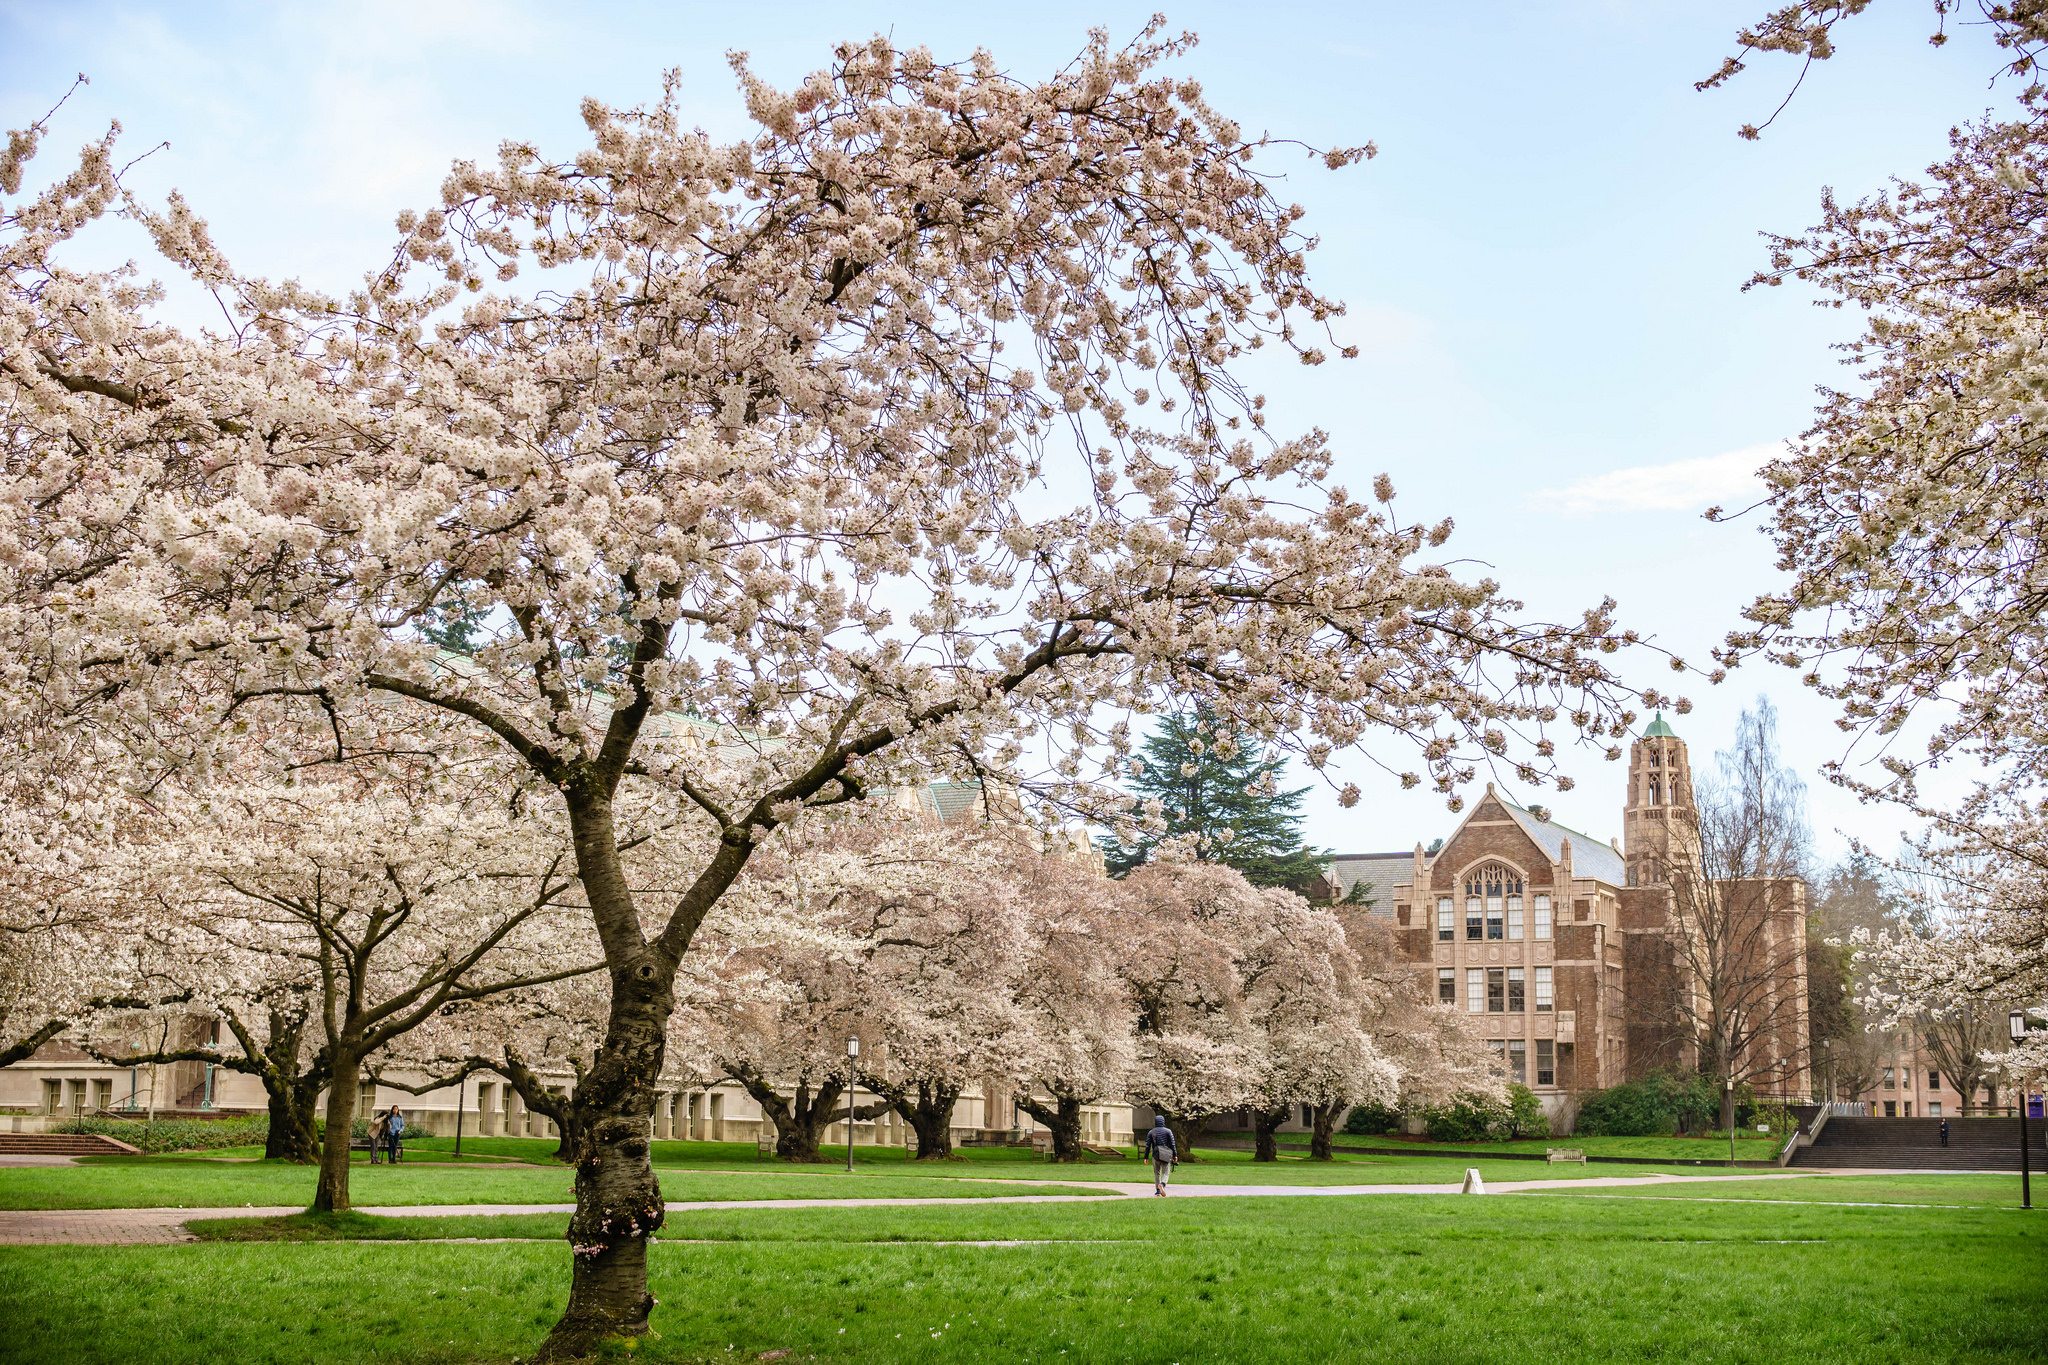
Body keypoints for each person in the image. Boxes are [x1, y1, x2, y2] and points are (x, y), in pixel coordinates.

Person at [1142, 1116, 1177, 1196]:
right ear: (1163, 1122)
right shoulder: (1168, 1131)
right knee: (1166, 1172)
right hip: (1166, 1154)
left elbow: (1148, 1146)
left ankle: (1158, 1190)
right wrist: (1175, 1155)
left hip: (1156, 1154)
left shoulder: (1151, 1132)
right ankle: (1162, 1184)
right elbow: (1172, 1144)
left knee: (1157, 1173)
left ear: (1155, 1122)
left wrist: (1146, 1157)